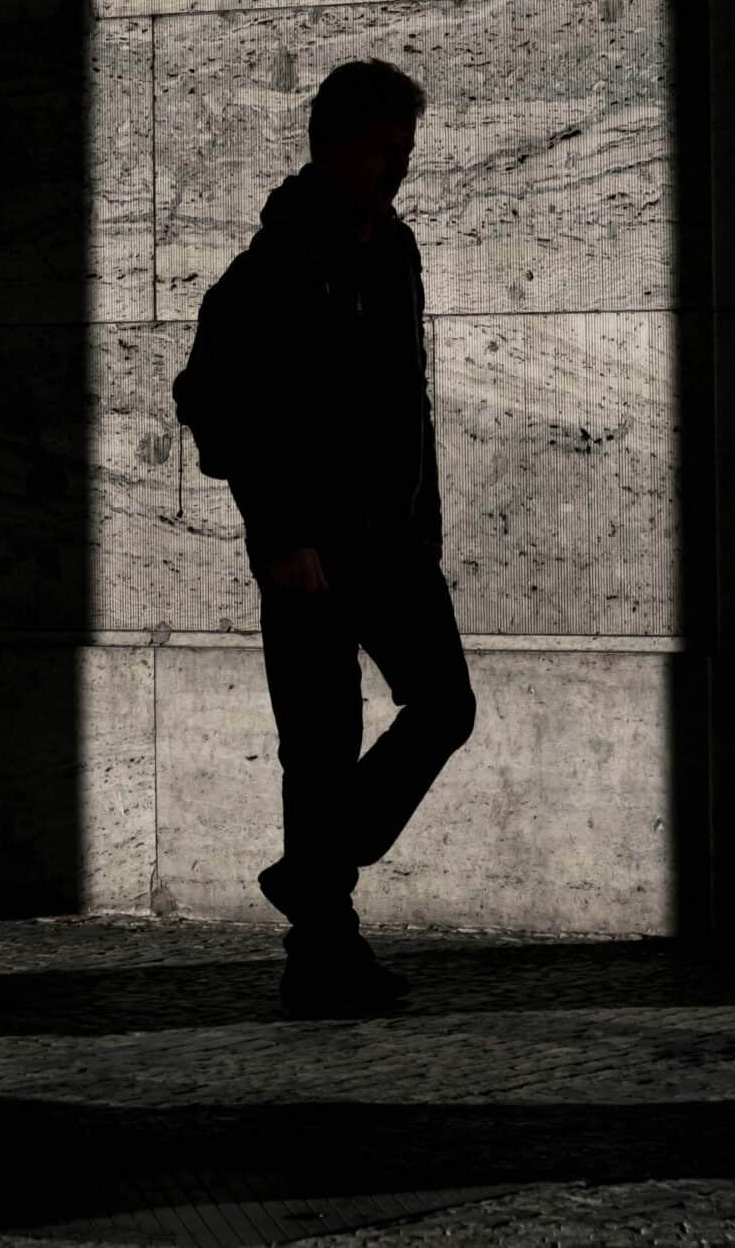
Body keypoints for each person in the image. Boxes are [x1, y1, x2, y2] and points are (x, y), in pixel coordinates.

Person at [191, 58, 478, 1016]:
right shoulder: (272, 266)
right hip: (307, 553)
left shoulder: (395, 249)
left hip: (393, 543)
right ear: (336, 148)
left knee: (443, 705)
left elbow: (408, 402)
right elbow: (213, 400)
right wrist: (279, 531)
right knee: (319, 744)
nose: (398, 172)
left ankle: (313, 867)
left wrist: (422, 521)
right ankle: (324, 948)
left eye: (406, 155)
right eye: (383, 154)